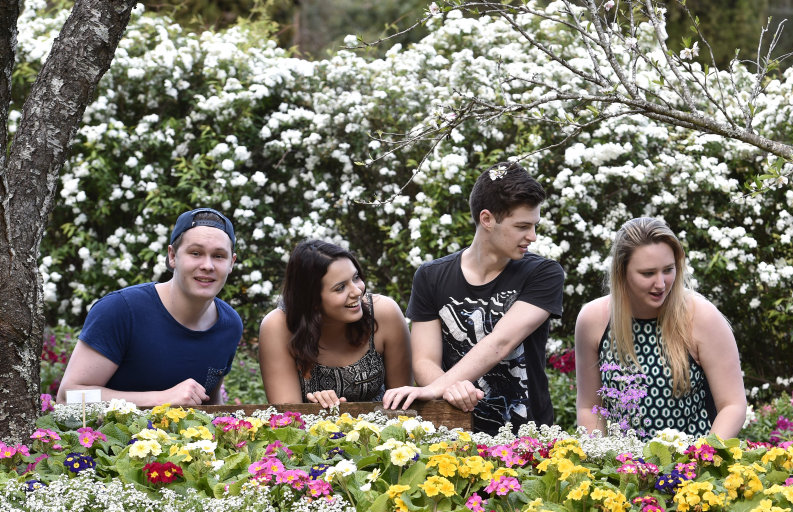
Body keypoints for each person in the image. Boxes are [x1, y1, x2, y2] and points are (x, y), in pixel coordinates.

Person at [382, 161, 565, 434]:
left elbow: (500, 342)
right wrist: (450, 388)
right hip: (453, 436)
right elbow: (423, 360)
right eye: (522, 226)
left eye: (534, 225)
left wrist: (435, 388)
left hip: (530, 443)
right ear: (487, 219)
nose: (533, 236)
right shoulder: (431, 277)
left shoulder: (543, 273)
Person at [574, 217, 747, 438]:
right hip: (621, 468)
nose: (661, 283)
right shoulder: (594, 319)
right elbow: (589, 407)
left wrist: (701, 458)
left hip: (691, 465)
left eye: (668, 270)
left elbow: (732, 406)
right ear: (621, 272)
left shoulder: (701, 317)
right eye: (647, 273)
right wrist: (601, 461)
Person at [57, 208, 243, 406]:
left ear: (231, 263)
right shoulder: (121, 310)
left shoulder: (229, 325)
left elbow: (210, 405)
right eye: (195, 253)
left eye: (219, 256)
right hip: (112, 436)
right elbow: (68, 397)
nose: (207, 265)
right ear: (172, 256)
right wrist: (162, 399)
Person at [258, 239, 412, 408]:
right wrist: (314, 409)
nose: (357, 291)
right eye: (340, 288)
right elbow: (288, 418)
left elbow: (403, 404)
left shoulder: (384, 313)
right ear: (312, 298)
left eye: (356, 278)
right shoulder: (278, 326)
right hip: (312, 432)